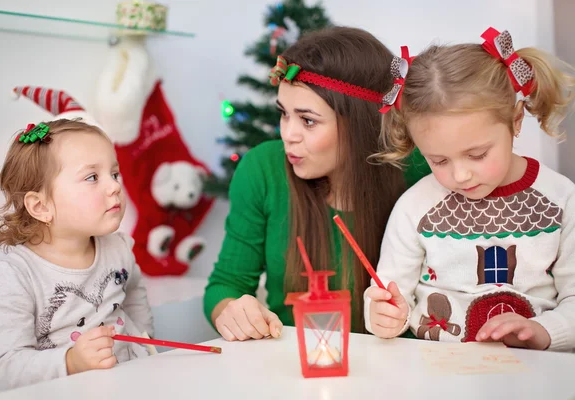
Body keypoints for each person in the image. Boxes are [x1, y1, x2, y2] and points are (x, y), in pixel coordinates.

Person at [204, 26, 431, 341]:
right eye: (284, 114)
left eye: (308, 120)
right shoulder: (263, 169)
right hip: (293, 368)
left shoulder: (420, 171)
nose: (288, 134)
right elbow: (225, 286)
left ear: (361, 125)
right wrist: (231, 309)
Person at [366, 27, 575, 351]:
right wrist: (382, 314)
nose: (460, 175)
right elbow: (391, 294)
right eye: (438, 160)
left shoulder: (561, 199)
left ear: (516, 120)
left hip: (533, 373)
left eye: (477, 155)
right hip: (433, 372)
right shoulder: (416, 206)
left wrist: (542, 332)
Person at [0, 119, 154, 388]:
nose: (115, 187)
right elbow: (8, 363)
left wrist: (147, 342)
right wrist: (71, 362)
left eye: (115, 174)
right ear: (40, 206)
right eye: (92, 177)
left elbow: (133, 294)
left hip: (135, 384)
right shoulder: (13, 277)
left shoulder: (119, 248)